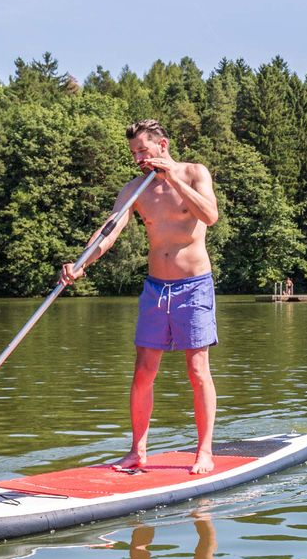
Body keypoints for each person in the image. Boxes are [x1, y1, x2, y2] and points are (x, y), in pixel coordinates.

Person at [63, 119, 221, 475]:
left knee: (197, 370)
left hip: (193, 285)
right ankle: (137, 451)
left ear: (162, 145)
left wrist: (173, 178)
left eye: (143, 151)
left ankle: (205, 451)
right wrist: (79, 263)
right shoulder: (136, 189)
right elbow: (110, 229)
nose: (138, 158)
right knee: (142, 372)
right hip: (155, 289)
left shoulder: (195, 173)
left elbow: (210, 216)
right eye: (134, 153)